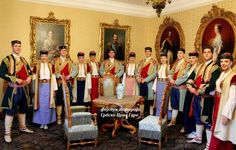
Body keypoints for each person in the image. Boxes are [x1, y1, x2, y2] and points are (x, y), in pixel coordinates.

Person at [0, 40, 34, 143]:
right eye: (16, 46)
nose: (18, 48)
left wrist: (29, 78)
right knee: (10, 111)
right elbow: (1, 73)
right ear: (12, 47)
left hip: (24, 89)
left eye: (19, 46)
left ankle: (22, 127)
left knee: (23, 109)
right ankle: (7, 133)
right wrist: (15, 79)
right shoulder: (7, 59)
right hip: (13, 89)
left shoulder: (23, 59)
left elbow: (30, 72)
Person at [187, 46, 221, 148]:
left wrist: (198, 90)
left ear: (212, 54)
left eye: (208, 52)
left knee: (207, 120)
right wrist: (191, 88)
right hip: (196, 97)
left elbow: (212, 84)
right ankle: (198, 138)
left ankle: (209, 144)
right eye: (204, 52)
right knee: (197, 118)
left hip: (207, 99)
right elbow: (190, 78)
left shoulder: (216, 67)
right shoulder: (199, 66)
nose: (206, 54)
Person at [209, 53, 236, 150]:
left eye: (226, 61)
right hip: (218, 104)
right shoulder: (222, 74)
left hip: (225, 107)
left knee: (224, 131)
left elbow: (233, 98)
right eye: (221, 62)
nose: (223, 63)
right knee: (216, 126)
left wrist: (226, 114)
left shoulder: (233, 76)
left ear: (231, 63)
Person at [32, 50, 57, 130]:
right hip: (40, 87)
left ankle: (46, 122)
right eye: (42, 56)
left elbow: (53, 78)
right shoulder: (37, 66)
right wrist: (33, 89)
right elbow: (33, 78)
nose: (44, 58)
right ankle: (41, 122)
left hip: (49, 86)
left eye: (45, 56)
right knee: (41, 105)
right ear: (40, 57)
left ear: (47, 57)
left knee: (47, 105)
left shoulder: (51, 66)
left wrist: (54, 89)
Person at [54, 46, 77, 124]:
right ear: (60, 51)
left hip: (68, 83)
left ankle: (67, 116)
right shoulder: (56, 61)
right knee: (59, 100)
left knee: (68, 100)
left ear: (66, 52)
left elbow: (75, 71)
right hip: (60, 83)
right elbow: (53, 71)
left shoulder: (70, 61)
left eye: (65, 50)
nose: (63, 52)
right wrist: (58, 76)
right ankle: (59, 117)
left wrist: (70, 76)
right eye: (62, 50)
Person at [167, 48, 189, 127]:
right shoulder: (176, 63)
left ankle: (184, 125)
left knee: (182, 107)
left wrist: (175, 82)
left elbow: (186, 76)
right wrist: (170, 78)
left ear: (183, 54)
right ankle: (173, 121)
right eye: (178, 53)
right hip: (174, 88)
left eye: (181, 53)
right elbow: (170, 72)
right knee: (174, 105)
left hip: (181, 89)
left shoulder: (187, 64)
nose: (179, 55)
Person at [182, 51, 199, 136]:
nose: (191, 59)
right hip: (188, 91)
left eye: (193, 58)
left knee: (192, 111)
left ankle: (192, 130)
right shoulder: (189, 67)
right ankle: (187, 128)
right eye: (190, 58)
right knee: (186, 110)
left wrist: (190, 84)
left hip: (193, 91)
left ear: (197, 58)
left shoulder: (198, 68)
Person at [137, 47, 157, 116]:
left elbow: (155, 74)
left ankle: (150, 115)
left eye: (148, 51)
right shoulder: (141, 61)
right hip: (141, 82)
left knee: (150, 99)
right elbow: (136, 71)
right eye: (146, 51)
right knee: (141, 99)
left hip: (148, 83)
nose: (147, 53)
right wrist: (138, 78)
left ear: (151, 52)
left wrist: (145, 80)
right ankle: (141, 114)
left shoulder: (154, 62)